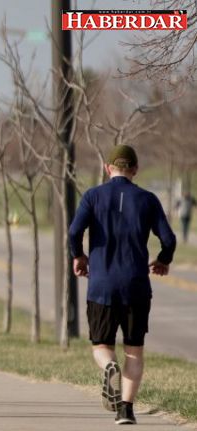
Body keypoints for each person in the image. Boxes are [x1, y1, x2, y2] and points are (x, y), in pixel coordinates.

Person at [68, 144, 176, 425]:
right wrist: (163, 259)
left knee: (101, 345)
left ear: (108, 168)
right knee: (134, 349)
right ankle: (126, 410)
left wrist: (78, 255)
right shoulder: (148, 199)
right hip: (136, 286)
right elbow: (169, 239)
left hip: (101, 285)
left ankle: (108, 366)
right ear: (135, 170)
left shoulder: (93, 196)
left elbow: (74, 231)